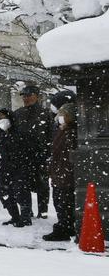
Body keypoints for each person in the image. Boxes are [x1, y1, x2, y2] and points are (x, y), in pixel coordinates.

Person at [14, 85, 54, 219]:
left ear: (37, 96)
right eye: (24, 96)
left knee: (42, 185)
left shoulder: (46, 113)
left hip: (41, 155)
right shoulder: (17, 114)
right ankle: (26, 212)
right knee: (23, 185)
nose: (26, 98)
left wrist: (47, 153)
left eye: (29, 95)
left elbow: (51, 135)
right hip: (23, 155)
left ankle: (43, 212)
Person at [0, 109, 34, 227]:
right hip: (6, 167)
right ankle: (15, 216)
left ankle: (25, 217)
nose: (1, 120)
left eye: (3, 117)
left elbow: (27, 150)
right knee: (4, 191)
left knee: (21, 191)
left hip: (21, 166)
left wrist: (22, 163)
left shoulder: (20, 133)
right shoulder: (1, 135)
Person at [44, 100, 78, 241]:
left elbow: (67, 152)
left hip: (65, 173)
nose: (61, 117)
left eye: (64, 114)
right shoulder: (62, 130)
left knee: (64, 202)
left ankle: (64, 228)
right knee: (59, 201)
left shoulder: (72, 132)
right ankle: (65, 226)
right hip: (59, 171)